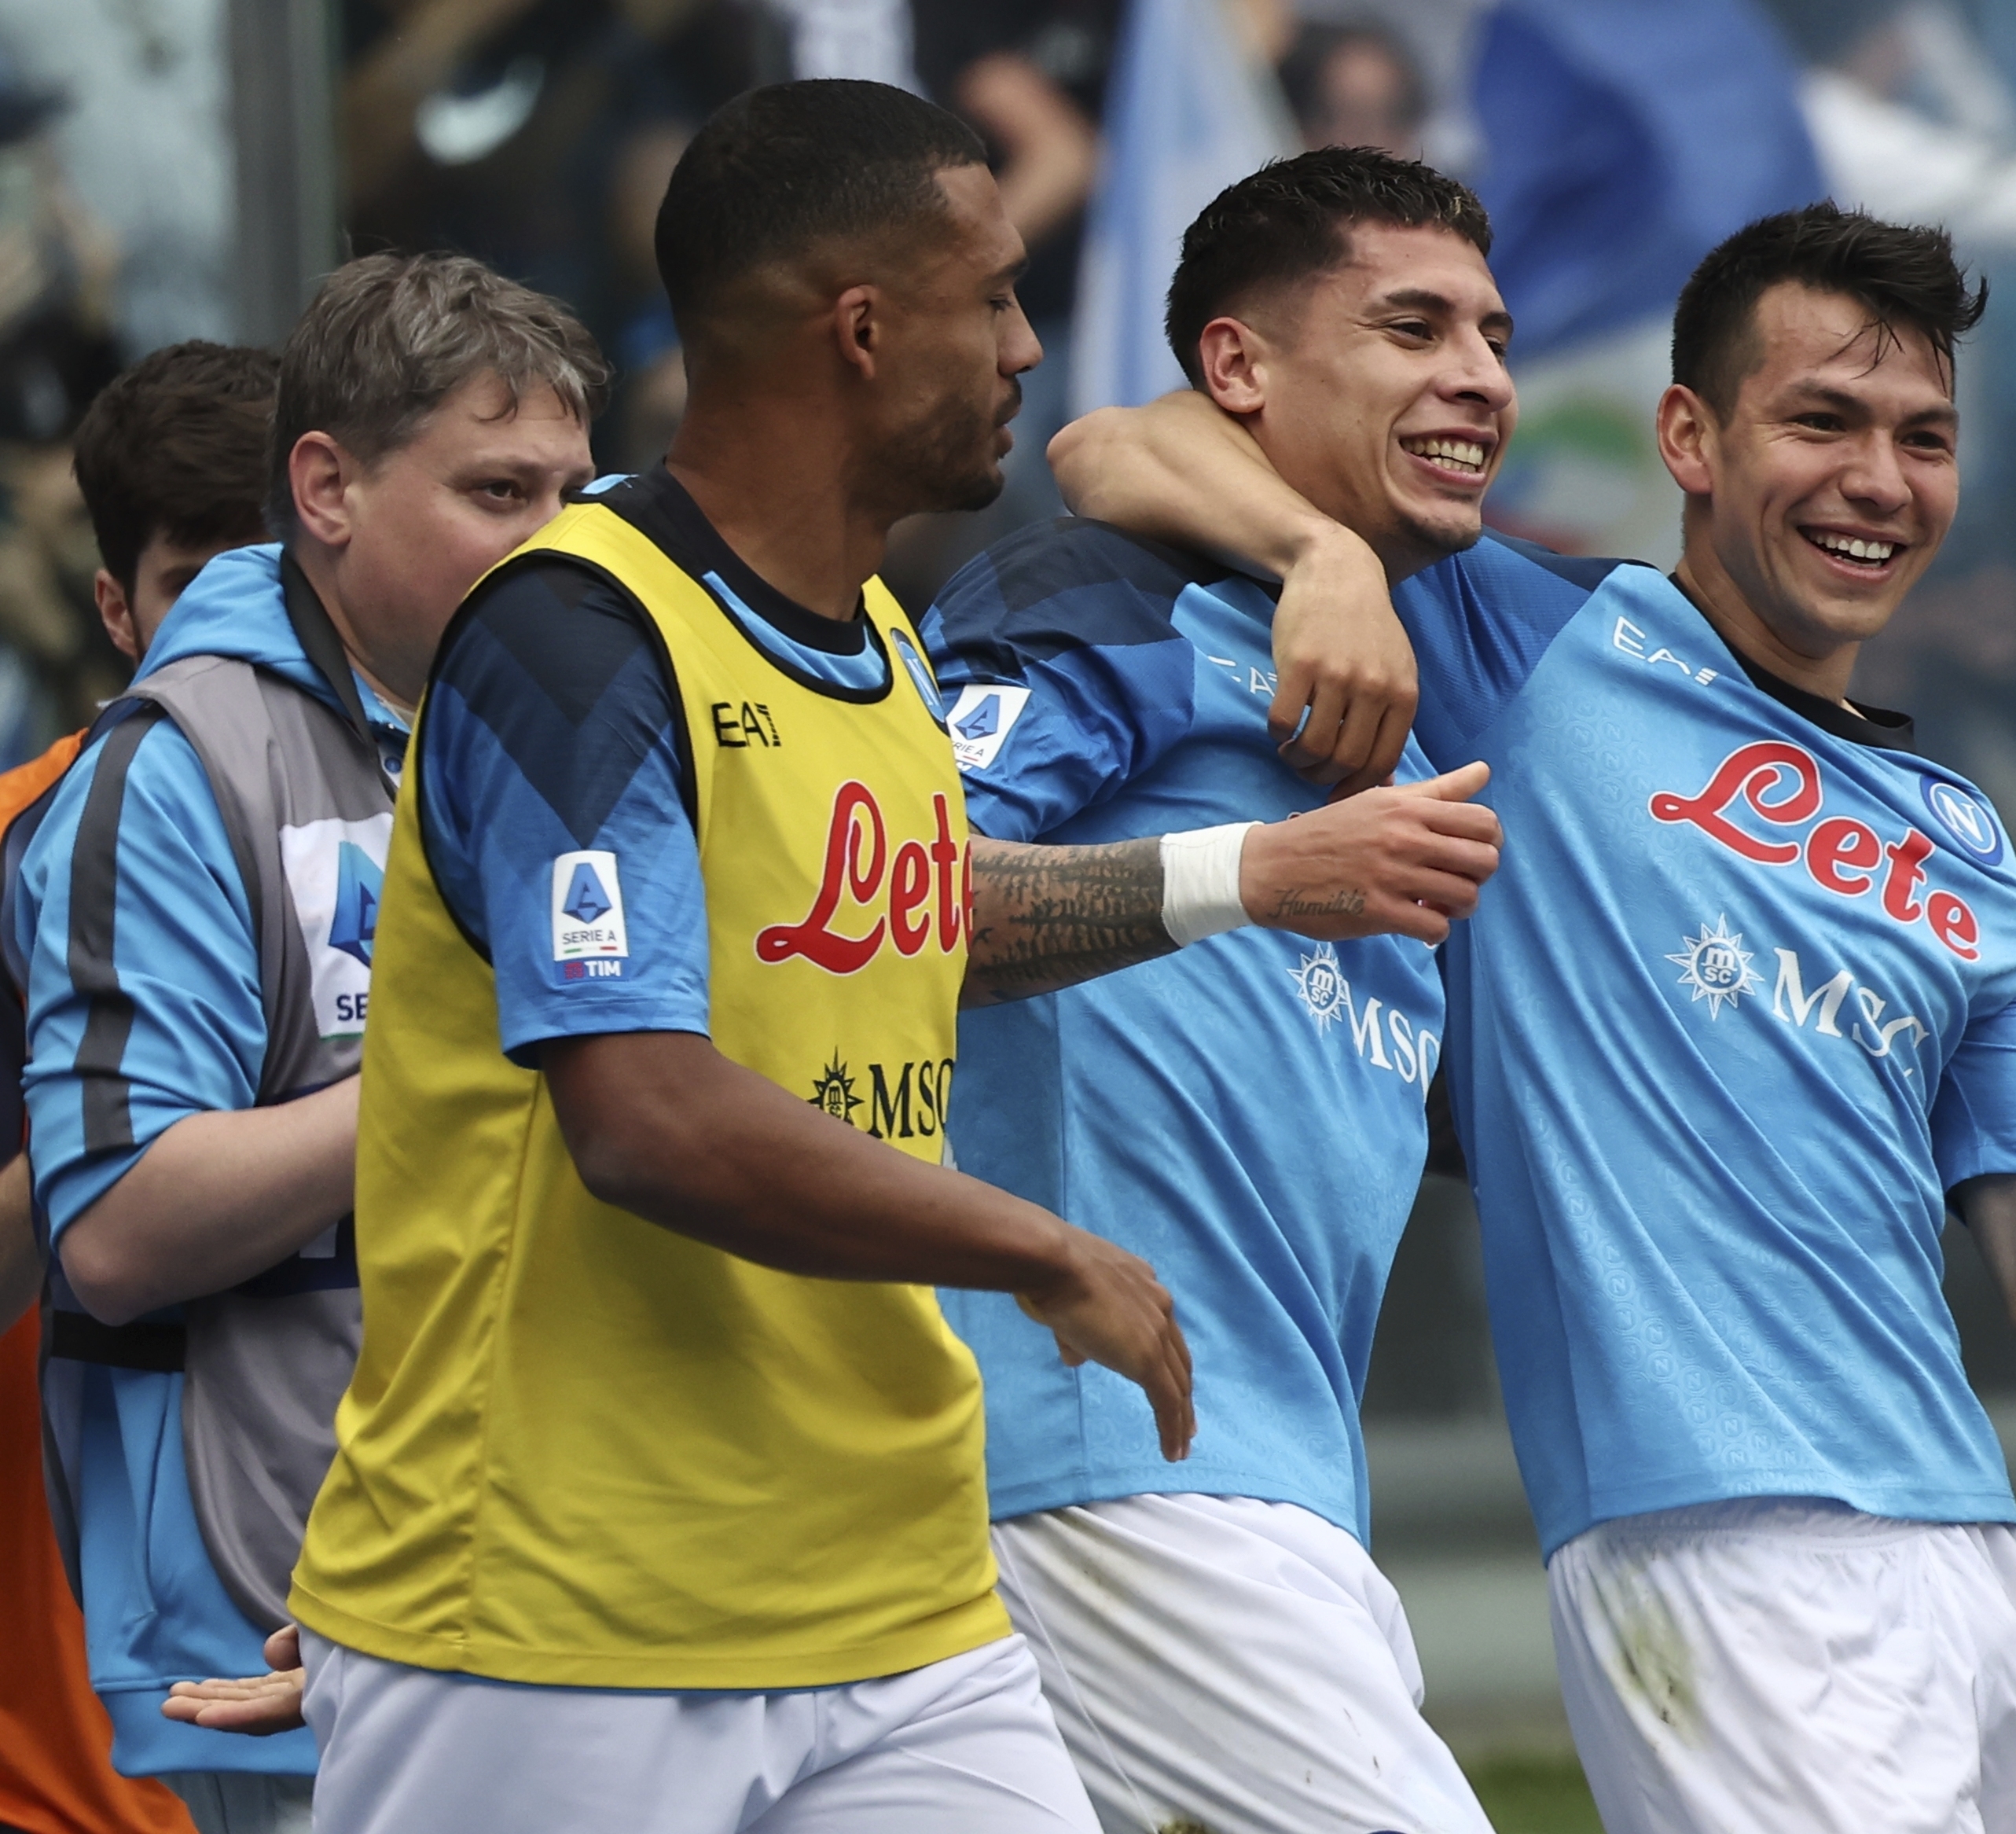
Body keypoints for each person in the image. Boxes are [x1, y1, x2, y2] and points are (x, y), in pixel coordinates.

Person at [1051, 198, 2016, 1833]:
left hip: (1972, 1539)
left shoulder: (1960, 834)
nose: (1878, 480)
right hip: (1709, 1547)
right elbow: (1117, 445)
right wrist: (1322, 560)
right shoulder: (1530, 638)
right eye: (1820, 420)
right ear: (1689, 438)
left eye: (1921, 436)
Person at [275, 81, 1496, 1834]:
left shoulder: (887, 659)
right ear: (862, 332)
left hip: (899, 1606)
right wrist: (1041, 1247)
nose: (1026, 346)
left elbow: (945, 923)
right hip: (564, 1604)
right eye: (994, 299)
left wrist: (1246, 877)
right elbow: (644, 1116)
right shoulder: (573, 637)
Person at [921, 148, 1502, 1834]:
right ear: (1239, 368)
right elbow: (891, 913)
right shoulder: (1104, 601)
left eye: (1490, 333)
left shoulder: (1404, 673)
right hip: (1099, 1460)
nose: (1476, 373)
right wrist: (1248, 876)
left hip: (1262, 1481)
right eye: (1411, 326)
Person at [13, 259, 605, 1834]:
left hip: (565, 1571)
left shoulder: (570, 718)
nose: (553, 541)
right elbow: (120, 1228)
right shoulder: (172, 766)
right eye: (497, 491)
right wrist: (505, 1050)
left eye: (571, 489)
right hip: (274, 1610)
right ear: (327, 491)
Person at [0, 337, 274, 1834]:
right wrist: (120, 1145)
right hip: (81, 1756)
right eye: (196, 587)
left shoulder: (457, 805)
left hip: (421, 1666)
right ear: (118, 608)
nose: (246, 636)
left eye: (280, 576)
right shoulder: (26, 843)